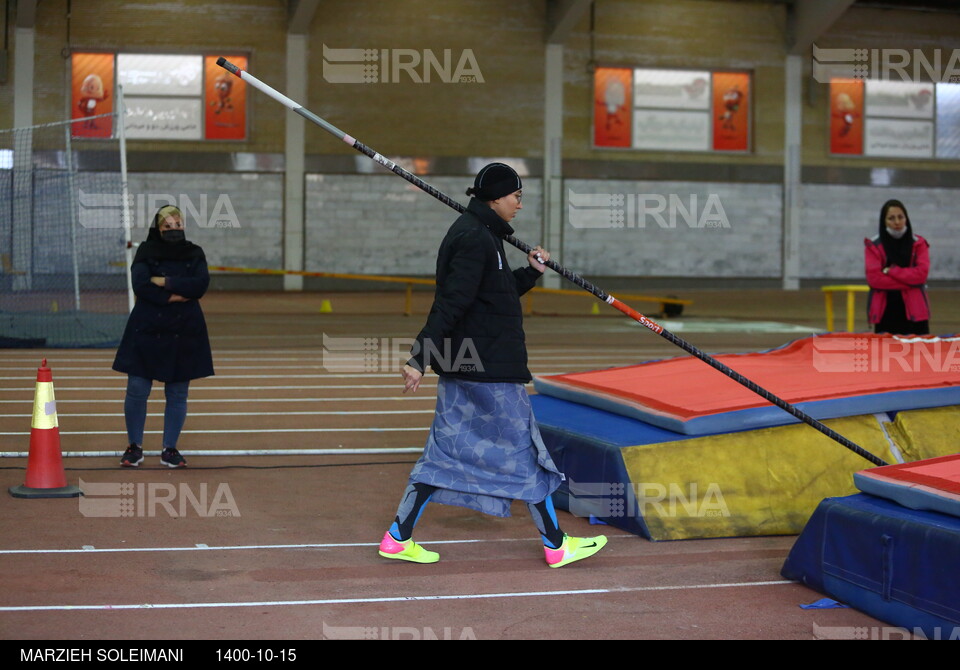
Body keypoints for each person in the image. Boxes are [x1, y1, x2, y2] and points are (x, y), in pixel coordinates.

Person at [378, 163, 607, 568]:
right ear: (497, 197)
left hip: (471, 363)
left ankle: (398, 536)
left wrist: (531, 274)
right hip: (486, 368)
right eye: (516, 197)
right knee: (526, 451)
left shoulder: (482, 235)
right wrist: (419, 355)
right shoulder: (473, 238)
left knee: (445, 452)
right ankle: (556, 545)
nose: (520, 204)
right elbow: (451, 302)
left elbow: (494, 296)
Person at [113, 206, 214, 468]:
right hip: (147, 326)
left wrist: (163, 281)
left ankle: (170, 449)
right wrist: (177, 293)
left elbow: (200, 285)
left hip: (185, 329)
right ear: (158, 229)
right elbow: (141, 285)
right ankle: (134, 447)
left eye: (177, 224)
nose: (173, 229)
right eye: (167, 226)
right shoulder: (145, 251)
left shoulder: (195, 252)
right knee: (137, 389)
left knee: (178, 392)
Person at [864, 199, 931, 335]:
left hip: (916, 312)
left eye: (900, 217)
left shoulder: (919, 243)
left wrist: (892, 271)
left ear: (906, 219)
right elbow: (874, 279)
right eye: (891, 218)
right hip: (886, 313)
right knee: (885, 355)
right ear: (884, 221)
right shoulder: (873, 245)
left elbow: (921, 275)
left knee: (918, 355)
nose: (897, 222)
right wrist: (910, 282)